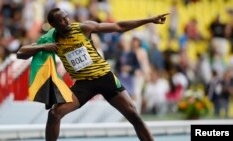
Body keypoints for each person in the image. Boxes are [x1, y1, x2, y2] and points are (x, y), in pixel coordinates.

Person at [17, 8, 168, 141]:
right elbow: (21, 53)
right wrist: (44, 46)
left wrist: (149, 20)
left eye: (66, 16)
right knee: (55, 114)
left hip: (104, 77)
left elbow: (118, 26)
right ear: (53, 25)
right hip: (83, 85)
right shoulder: (51, 39)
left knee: (134, 115)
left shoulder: (83, 28)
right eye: (62, 20)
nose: (67, 21)